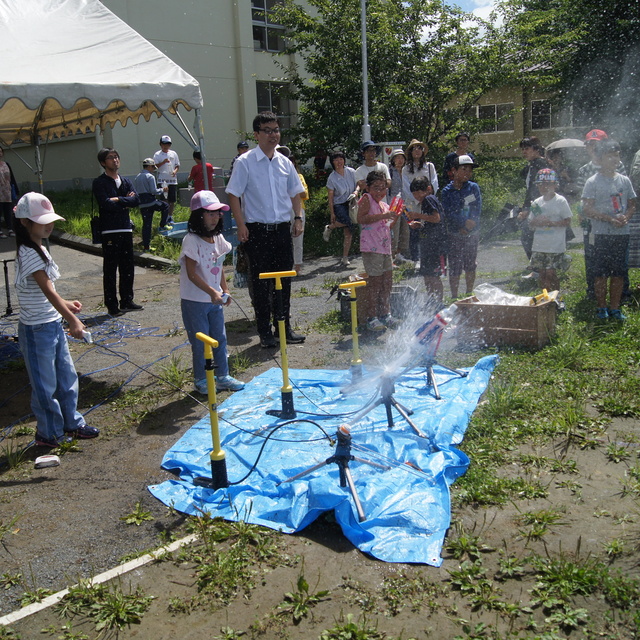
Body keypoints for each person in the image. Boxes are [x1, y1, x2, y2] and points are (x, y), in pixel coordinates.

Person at [13, 192, 99, 448]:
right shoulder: (27, 252)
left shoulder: (39, 247)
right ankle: (48, 433)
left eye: (50, 220)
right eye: (42, 221)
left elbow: (48, 292)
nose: (48, 226)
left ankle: (72, 423)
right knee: (45, 385)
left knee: (66, 376)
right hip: (36, 329)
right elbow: (47, 290)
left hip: (51, 324)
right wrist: (72, 319)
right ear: (25, 222)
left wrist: (66, 305)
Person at [225, 111, 306, 348]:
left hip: (282, 230)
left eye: (276, 130)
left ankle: (284, 328)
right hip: (256, 231)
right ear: (256, 134)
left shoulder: (284, 162)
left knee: (283, 280)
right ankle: (265, 332)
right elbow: (233, 194)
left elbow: (295, 193)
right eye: (268, 130)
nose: (273, 135)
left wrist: (298, 218)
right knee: (260, 284)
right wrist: (240, 225)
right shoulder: (245, 162)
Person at [180, 190, 245, 394]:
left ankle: (223, 375)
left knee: (220, 337)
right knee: (201, 343)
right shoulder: (191, 240)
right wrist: (212, 292)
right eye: (210, 213)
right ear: (199, 215)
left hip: (214, 299)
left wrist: (224, 289)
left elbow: (219, 267)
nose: (216, 217)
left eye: (218, 213)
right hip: (194, 301)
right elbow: (191, 274)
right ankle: (201, 379)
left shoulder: (218, 238)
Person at [582, 139, 637, 321]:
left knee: (619, 273)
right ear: (600, 158)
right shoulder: (592, 181)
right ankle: (601, 307)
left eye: (617, 155)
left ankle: (615, 308)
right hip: (600, 234)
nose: (615, 159)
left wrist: (625, 218)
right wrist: (609, 219)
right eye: (610, 155)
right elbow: (587, 209)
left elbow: (632, 205)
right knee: (600, 273)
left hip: (622, 234)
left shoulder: (624, 180)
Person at [577, 129, 628, 299]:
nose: (593, 147)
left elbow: (625, 193)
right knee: (592, 256)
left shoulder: (618, 166)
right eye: (589, 144)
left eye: (596, 143)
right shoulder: (584, 170)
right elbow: (581, 197)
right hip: (592, 221)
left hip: (615, 220)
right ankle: (593, 292)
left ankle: (622, 293)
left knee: (618, 258)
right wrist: (581, 212)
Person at [92, 148, 142, 316]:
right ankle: (112, 305)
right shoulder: (100, 182)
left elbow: (136, 200)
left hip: (126, 228)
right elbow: (106, 204)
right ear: (103, 163)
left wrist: (119, 199)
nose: (115, 160)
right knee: (111, 269)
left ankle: (127, 300)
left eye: (116, 157)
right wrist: (124, 202)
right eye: (110, 158)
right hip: (110, 230)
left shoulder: (126, 181)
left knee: (128, 267)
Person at [357, 170, 400, 331]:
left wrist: (394, 217)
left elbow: (388, 226)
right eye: (376, 188)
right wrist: (383, 216)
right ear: (368, 188)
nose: (380, 192)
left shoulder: (384, 205)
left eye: (383, 188)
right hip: (371, 247)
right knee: (375, 284)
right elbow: (360, 219)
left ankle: (385, 313)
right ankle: (371, 316)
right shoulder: (366, 199)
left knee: (387, 282)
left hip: (385, 248)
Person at [441, 154, 482, 298]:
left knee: (470, 263)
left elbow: (477, 208)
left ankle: (469, 292)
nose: (467, 173)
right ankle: (454, 296)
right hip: (454, 232)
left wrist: (471, 224)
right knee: (455, 265)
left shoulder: (473, 188)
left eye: (470, 170)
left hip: (472, 233)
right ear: (454, 170)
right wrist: (462, 224)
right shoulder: (447, 191)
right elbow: (448, 213)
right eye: (463, 169)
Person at [527, 168, 573, 292]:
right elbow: (530, 222)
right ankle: (545, 299)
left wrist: (550, 223)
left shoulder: (560, 201)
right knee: (542, 275)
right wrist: (536, 221)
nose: (544, 187)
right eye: (540, 184)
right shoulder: (537, 202)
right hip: (539, 245)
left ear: (554, 185)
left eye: (547, 184)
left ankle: (555, 298)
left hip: (555, 245)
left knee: (551, 274)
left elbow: (567, 221)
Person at [408, 177, 446, 304]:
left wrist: (418, 215)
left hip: (436, 246)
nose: (417, 196)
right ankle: (431, 301)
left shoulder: (429, 199)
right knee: (427, 275)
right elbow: (431, 221)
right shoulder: (427, 201)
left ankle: (439, 301)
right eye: (414, 193)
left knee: (434, 276)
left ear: (428, 189)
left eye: (419, 192)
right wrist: (420, 224)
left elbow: (436, 218)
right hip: (427, 244)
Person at [402, 139, 439, 263]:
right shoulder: (405, 169)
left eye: (419, 148)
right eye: (414, 148)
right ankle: (416, 259)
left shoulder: (429, 166)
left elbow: (434, 183)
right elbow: (406, 187)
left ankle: (429, 256)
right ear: (410, 152)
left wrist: (427, 197)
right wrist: (417, 198)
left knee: (429, 229)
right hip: (412, 203)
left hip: (428, 202)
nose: (417, 151)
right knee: (414, 230)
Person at [517, 137, 549, 265]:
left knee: (528, 236)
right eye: (522, 149)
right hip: (538, 205)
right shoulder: (534, 164)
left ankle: (538, 267)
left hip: (540, 206)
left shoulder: (540, 164)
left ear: (536, 150)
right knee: (533, 236)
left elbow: (535, 190)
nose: (524, 152)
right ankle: (539, 266)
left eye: (527, 149)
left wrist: (527, 209)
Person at [325, 150, 358, 267]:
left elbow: (359, 183)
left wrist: (356, 191)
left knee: (348, 233)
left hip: (352, 201)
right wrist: (332, 213)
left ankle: (345, 257)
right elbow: (331, 197)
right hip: (339, 204)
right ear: (332, 162)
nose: (339, 162)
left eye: (341, 159)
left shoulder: (351, 171)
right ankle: (330, 227)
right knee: (348, 222)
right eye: (336, 160)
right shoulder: (332, 177)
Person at [134, 158, 170, 251]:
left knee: (146, 225)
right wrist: (163, 190)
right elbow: (153, 191)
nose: (153, 169)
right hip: (150, 202)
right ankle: (163, 226)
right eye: (153, 167)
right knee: (165, 206)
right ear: (149, 166)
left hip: (142, 203)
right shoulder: (150, 176)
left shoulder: (137, 177)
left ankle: (146, 247)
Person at [388, 149, 411, 263]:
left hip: (406, 202)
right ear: (393, 160)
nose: (400, 160)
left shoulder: (407, 171)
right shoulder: (390, 171)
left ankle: (400, 253)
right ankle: (392, 254)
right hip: (394, 203)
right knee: (394, 228)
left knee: (405, 228)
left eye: (402, 158)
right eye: (397, 158)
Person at [153, 135, 180, 224]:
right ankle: (164, 217)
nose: (166, 146)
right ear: (160, 144)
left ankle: (170, 216)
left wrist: (175, 171)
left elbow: (177, 165)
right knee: (164, 199)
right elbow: (154, 167)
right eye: (164, 144)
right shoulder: (157, 154)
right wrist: (163, 162)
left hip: (172, 180)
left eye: (168, 144)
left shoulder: (173, 153)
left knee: (172, 200)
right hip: (162, 180)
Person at [0, 146, 19, 238]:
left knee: (8, 211)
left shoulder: (6, 164)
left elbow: (12, 178)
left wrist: (16, 188)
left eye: (0, 151)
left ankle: (10, 229)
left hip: (7, 192)